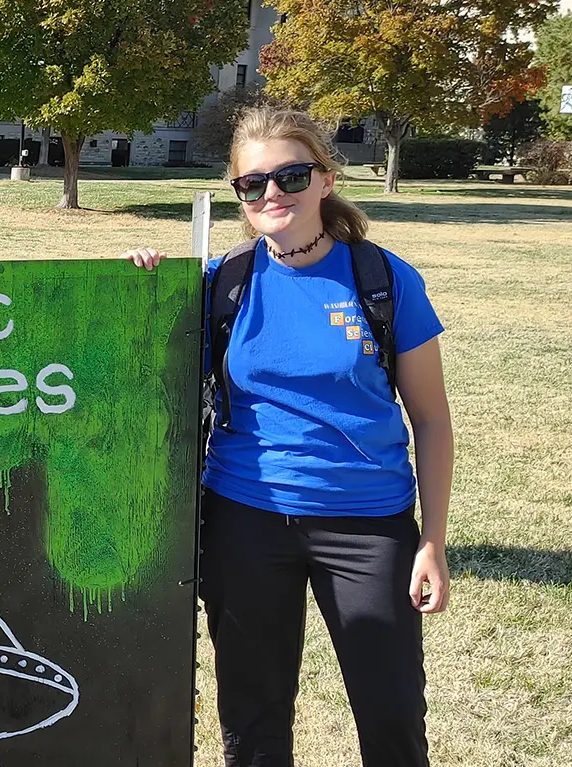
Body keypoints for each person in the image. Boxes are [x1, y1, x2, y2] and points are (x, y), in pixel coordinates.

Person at [124, 107, 454, 767]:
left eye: (291, 175)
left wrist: (432, 541)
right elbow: (143, 368)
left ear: (326, 180)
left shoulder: (382, 281)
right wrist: (144, 287)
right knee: (252, 715)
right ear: (240, 197)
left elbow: (432, 420)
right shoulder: (224, 283)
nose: (272, 193)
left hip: (368, 524)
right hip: (244, 519)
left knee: (391, 713)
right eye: (253, 184)